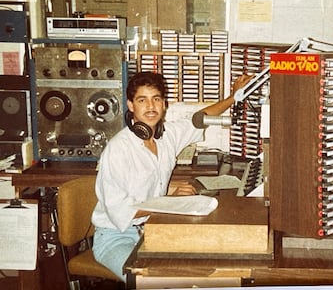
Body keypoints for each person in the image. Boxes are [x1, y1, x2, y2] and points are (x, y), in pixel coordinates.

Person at [91, 71, 251, 281]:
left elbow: (199, 119)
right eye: (142, 100)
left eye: (156, 99)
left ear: (164, 104)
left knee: (201, 269)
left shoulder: (165, 136)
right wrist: (170, 201)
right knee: (154, 281)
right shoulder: (118, 150)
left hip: (154, 229)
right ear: (131, 106)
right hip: (115, 237)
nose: (150, 106)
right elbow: (122, 211)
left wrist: (233, 96)